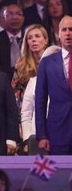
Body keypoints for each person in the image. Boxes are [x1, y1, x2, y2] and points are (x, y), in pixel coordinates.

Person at [35, 15, 72, 155]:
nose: (68, 33)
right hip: (57, 132)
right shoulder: (47, 62)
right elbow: (40, 100)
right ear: (59, 34)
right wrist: (42, 134)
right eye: (64, 30)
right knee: (58, 176)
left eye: (71, 29)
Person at [11, 24, 48, 142]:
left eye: (37, 36)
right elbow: (16, 96)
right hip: (28, 115)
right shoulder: (21, 65)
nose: (33, 40)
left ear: (46, 40)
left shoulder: (55, 60)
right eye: (30, 38)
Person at [21, 45, 61, 153]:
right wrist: (28, 140)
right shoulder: (34, 81)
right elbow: (26, 114)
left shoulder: (67, 81)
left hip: (62, 135)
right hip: (37, 138)